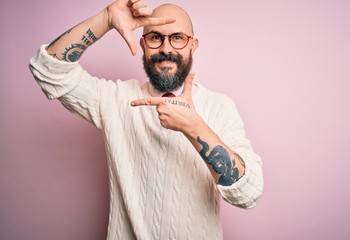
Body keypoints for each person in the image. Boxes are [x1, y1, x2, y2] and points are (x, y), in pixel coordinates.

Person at [29, 0, 263, 239]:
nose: (166, 48)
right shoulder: (116, 99)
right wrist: (106, 19)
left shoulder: (220, 107)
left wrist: (192, 126)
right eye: (155, 38)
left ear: (193, 45)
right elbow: (47, 69)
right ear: (143, 44)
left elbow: (248, 194)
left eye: (178, 38)